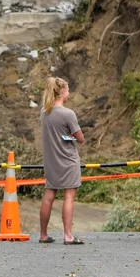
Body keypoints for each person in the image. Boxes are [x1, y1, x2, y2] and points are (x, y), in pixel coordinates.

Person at [39, 77, 85, 245]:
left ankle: (43, 235)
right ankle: (68, 235)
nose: (69, 93)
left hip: (51, 160)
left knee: (48, 195)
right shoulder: (68, 114)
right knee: (69, 197)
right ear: (62, 91)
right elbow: (80, 139)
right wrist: (72, 135)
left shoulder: (44, 111)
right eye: (68, 90)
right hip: (68, 159)